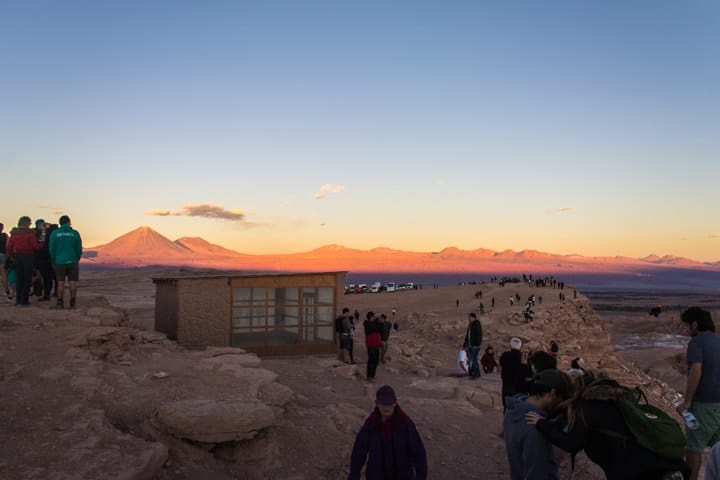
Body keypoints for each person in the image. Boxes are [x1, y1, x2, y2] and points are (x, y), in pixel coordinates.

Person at [526, 374, 690, 480]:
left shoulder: (587, 406)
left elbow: (572, 442)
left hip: (635, 472)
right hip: (661, 465)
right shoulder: (618, 400)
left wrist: (542, 423)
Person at [504, 369, 573, 480]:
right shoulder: (535, 427)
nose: (561, 403)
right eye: (561, 398)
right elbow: (536, 472)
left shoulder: (513, 410)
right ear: (552, 393)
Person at [677, 307, 720, 480]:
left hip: (702, 407)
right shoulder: (718, 341)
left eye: (688, 326)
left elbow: (696, 371)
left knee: (694, 449)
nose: (687, 330)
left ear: (695, 324)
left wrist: (687, 403)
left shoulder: (697, 343)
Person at [349, 385, 427, 480]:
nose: (386, 407)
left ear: (395, 403)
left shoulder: (405, 423)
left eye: (389, 403)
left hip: (401, 475)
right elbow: (359, 450)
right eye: (383, 403)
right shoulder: (371, 423)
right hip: (376, 475)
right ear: (377, 403)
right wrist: (354, 474)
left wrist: (420, 476)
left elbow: (418, 451)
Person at [6, 216, 42, 306]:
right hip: (28, 256)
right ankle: (24, 300)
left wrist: (11, 256)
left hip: (18, 257)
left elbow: (9, 247)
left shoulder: (14, 233)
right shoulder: (30, 234)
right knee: (27, 279)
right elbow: (36, 247)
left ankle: (18, 300)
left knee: (20, 278)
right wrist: (41, 242)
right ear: (26, 223)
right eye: (29, 223)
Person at [49, 215, 82, 309]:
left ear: (60, 223)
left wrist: (53, 259)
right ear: (68, 222)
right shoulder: (75, 233)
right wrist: (77, 257)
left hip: (59, 261)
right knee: (73, 282)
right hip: (73, 261)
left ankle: (60, 303)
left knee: (60, 282)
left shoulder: (55, 233)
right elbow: (79, 248)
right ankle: (72, 303)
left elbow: (52, 249)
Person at [500, 337, 524, 412]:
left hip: (506, 382)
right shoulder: (520, 356)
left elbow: (501, 363)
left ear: (510, 345)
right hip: (516, 385)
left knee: (506, 405)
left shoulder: (505, 355)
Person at [33, 220, 54, 302]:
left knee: (45, 277)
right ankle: (46, 293)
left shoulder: (41, 233)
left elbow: (40, 245)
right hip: (48, 257)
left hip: (41, 258)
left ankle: (45, 294)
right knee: (48, 277)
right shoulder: (50, 233)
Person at [364, 312, 384, 381]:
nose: (374, 318)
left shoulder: (375, 324)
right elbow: (373, 328)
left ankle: (372, 376)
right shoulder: (366, 323)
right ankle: (369, 376)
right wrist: (378, 323)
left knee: (376, 361)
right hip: (371, 345)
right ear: (370, 317)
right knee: (371, 361)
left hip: (376, 345)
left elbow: (382, 329)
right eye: (373, 317)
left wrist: (379, 321)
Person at [465, 312, 483, 379]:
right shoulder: (470, 325)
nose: (468, 318)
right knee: (471, 359)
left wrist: (477, 344)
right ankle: (473, 371)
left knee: (474, 359)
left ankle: (477, 373)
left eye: (469, 317)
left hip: (475, 345)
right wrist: (465, 344)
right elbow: (468, 335)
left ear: (473, 317)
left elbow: (479, 335)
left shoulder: (477, 325)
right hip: (470, 345)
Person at [0, 222, 9, 298]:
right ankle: (6, 290)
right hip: (2, 255)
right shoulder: (5, 236)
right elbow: (8, 246)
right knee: (3, 273)